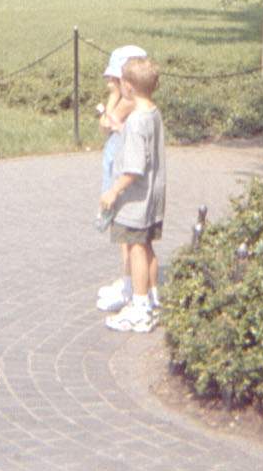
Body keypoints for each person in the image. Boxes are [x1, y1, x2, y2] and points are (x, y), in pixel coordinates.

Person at [99, 54, 165, 333]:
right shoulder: (151, 113)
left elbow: (134, 168)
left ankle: (138, 307)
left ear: (128, 86)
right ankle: (150, 299)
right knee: (147, 246)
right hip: (153, 197)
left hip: (136, 200)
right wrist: (120, 129)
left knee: (136, 249)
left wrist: (113, 191)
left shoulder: (137, 121)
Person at [94, 45, 150, 315]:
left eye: (115, 79)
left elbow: (107, 122)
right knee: (124, 236)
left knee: (131, 237)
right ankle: (129, 283)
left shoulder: (127, 100)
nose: (110, 83)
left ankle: (136, 291)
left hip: (124, 173)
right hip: (115, 165)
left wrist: (113, 98)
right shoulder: (125, 97)